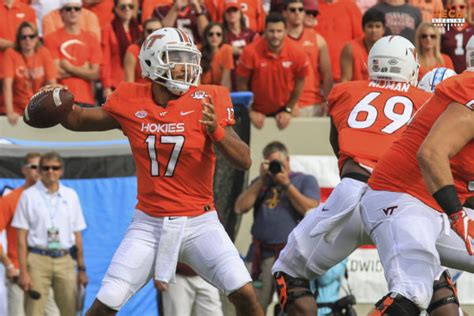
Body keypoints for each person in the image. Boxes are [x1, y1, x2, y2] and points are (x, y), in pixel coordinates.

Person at [30, 27, 263, 316]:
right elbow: (79, 119)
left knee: (244, 293)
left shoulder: (210, 97)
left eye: (189, 58)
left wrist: (215, 129)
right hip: (149, 224)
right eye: (176, 57)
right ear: (152, 62)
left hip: (200, 221)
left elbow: (244, 160)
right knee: (106, 302)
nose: (185, 66)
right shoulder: (130, 98)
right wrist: (58, 104)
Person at [270, 36, 432, 316]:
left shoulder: (344, 92)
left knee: (289, 272)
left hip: (348, 194)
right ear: (410, 67)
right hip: (397, 203)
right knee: (413, 292)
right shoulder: (427, 101)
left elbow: (339, 144)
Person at [358, 36, 474, 316]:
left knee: (434, 299)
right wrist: (458, 216)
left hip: (436, 205)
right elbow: (431, 153)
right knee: (412, 291)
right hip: (402, 196)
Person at [235, 141, 320, 314]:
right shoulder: (261, 183)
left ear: (287, 160)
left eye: (277, 163)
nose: (274, 168)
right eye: (270, 163)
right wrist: (261, 180)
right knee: (254, 305)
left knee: (296, 307)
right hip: (261, 255)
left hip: (291, 257)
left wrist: (287, 185)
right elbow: (239, 207)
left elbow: (310, 209)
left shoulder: (304, 180)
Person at [12, 151, 88, 316]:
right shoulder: (28, 196)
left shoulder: (71, 195)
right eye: (46, 168)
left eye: (55, 168)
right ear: (39, 171)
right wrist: (23, 271)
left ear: (61, 170)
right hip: (37, 259)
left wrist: (82, 269)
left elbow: (78, 235)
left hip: (66, 259)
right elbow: (20, 238)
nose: (50, 171)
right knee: (34, 311)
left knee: (70, 310)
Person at [236, 12, 308, 130]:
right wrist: (251, 110)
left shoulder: (297, 51)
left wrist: (289, 109)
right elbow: (241, 83)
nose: (275, 35)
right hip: (257, 111)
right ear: (265, 31)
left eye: (279, 31)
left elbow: (300, 81)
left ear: (285, 31)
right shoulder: (250, 52)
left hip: (285, 109)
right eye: (271, 31)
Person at [0, 153, 40, 316]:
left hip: (42, 270)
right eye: (33, 166)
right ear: (24, 170)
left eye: (42, 166)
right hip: (17, 270)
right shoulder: (10, 200)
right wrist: (8, 265)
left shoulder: (51, 199)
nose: (39, 170)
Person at [44, 0, 102, 107]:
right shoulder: (51, 39)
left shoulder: (91, 39)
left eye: (77, 9)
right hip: (60, 98)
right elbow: (55, 72)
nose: (73, 12)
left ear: (81, 12)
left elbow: (95, 74)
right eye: (68, 9)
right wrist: (84, 70)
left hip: (87, 99)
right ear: (61, 13)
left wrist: (69, 67)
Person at [284, 0, 332, 117]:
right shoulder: (278, 38)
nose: (297, 13)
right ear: (285, 13)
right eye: (292, 10)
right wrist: (290, 104)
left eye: (301, 10)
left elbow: (327, 75)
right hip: (285, 104)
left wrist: (327, 101)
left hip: (312, 102)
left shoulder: (318, 39)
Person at [2, 22, 57, 126]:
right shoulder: (11, 53)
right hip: (17, 108)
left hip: (38, 109)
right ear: (18, 40)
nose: (28, 40)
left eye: (31, 36)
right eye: (24, 37)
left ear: (37, 38)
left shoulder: (44, 53)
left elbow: (52, 84)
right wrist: (10, 112)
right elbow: (7, 85)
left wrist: (51, 112)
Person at [314, 0, 363, 82]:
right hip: (316, 78)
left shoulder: (350, 6)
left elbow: (360, 41)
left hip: (345, 77)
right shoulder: (312, 7)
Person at [101, 0, 141, 98]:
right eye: (123, 6)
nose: (127, 9)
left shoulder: (139, 30)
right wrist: (107, 86)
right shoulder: (109, 29)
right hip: (116, 83)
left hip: (136, 83)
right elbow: (105, 59)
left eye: (130, 6)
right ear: (116, 9)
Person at [340, 8, 385, 82]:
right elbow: (345, 79)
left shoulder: (391, 49)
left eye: (377, 26)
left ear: (384, 29)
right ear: (363, 28)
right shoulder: (350, 48)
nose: (374, 30)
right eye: (370, 26)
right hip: (357, 92)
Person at [222, 0, 258, 91]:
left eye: (235, 11)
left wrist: (241, 52)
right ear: (224, 15)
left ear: (240, 14)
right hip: (229, 76)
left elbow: (258, 52)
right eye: (228, 11)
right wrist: (228, 50)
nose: (232, 14)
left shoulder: (251, 34)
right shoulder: (221, 34)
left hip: (249, 77)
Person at [124, 18, 162, 83]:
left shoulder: (168, 50)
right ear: (144, 32)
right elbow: (129, 83)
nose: (153, 34)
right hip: (140, 91)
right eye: (149, 31)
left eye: (157, 31)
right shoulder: (134, 50)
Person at [441, 0, 474, 74]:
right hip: (449, 75)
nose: (458, 10)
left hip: (470, 75)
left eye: (461, 7)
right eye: (453, 8)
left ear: (467, 9)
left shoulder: (473, 29)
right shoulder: (443, 29)